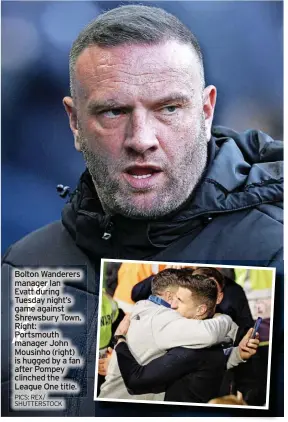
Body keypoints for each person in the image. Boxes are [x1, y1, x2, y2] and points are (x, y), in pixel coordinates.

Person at [1, 4, 282, 417]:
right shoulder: (30, 266)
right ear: (74, 121)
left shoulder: (275, 251)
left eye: (168, 108)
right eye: (113, 111)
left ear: (206, 111)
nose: (142, 139)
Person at [112, 273, 259, 403]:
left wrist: (120, 341)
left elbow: (136, 380)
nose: (173, 305)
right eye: (175, 298)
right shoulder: (211, 335)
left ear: (200, 310)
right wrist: (238, 353)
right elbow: (214, 360)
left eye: (180, 301)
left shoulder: (190, 349)